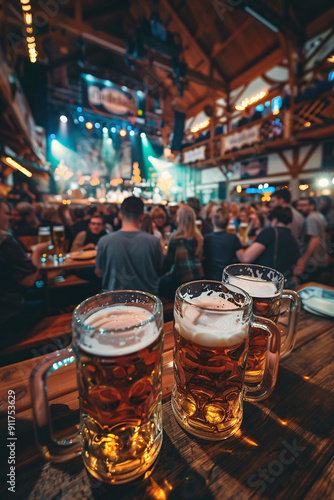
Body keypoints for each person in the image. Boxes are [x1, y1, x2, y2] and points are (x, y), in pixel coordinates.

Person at [0, 199, 48, 342]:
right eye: (7, 213)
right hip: (6, 316)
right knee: (46, 303)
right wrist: (38, 251)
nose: (10, 218)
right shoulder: (5, 242)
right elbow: (29, 280)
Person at [95, 197, 163, 294]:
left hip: (114, 299)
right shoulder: (154, 241)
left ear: (120, 215)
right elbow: (159, 270)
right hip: (147, 299)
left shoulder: (104, 241)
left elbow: (99, 273)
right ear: (142, 216)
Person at [237, 207, 299, 284]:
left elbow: (245, 258)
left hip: (265, 282)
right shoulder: (293, 237)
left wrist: (237, 242)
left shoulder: (270, 232)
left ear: (275, 220)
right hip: (283, 284)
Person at [159, 205, 203, 300]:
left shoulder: (175, 238)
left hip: (180, 281)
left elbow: (168, 262)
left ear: (180, 219)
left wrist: (159, 273)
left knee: (160, 281)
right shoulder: (199, 238)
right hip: (197, 280)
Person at [203, 208, 243, 281]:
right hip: (228, 278)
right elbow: (242, 258)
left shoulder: (206, 238)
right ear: (228, 222)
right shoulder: (233, 238)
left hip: (210, 278)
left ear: (213, 221)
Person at [294, 197, 328, 282]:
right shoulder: (318, 215)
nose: (299, 208)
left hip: (313, 260)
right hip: (319, 258)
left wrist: (303, 260)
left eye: (303, 205)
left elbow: (315, 240)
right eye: (298, 205)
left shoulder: (311, 219)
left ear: (312, 206)